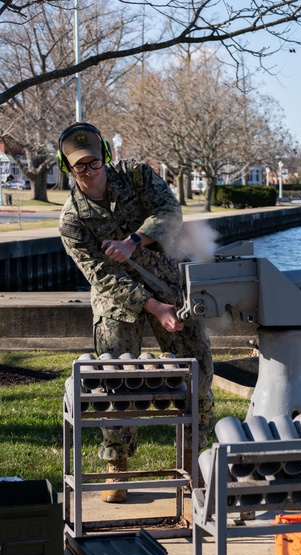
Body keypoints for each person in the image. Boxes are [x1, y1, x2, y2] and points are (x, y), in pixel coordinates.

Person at [57, 122, 214, 503]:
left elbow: (170, 212)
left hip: (170, 285)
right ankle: (118, 464)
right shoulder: (72, 220)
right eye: (78, 166)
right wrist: (153, 307)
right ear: (67, 168)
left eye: (93, 162)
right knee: (115, 381)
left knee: (198, 373)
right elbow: (101, 275)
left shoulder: (136, 174)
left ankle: (195, 461)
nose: (89, 172)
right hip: (118, 300)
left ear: (105, 157)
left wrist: (133, 241)